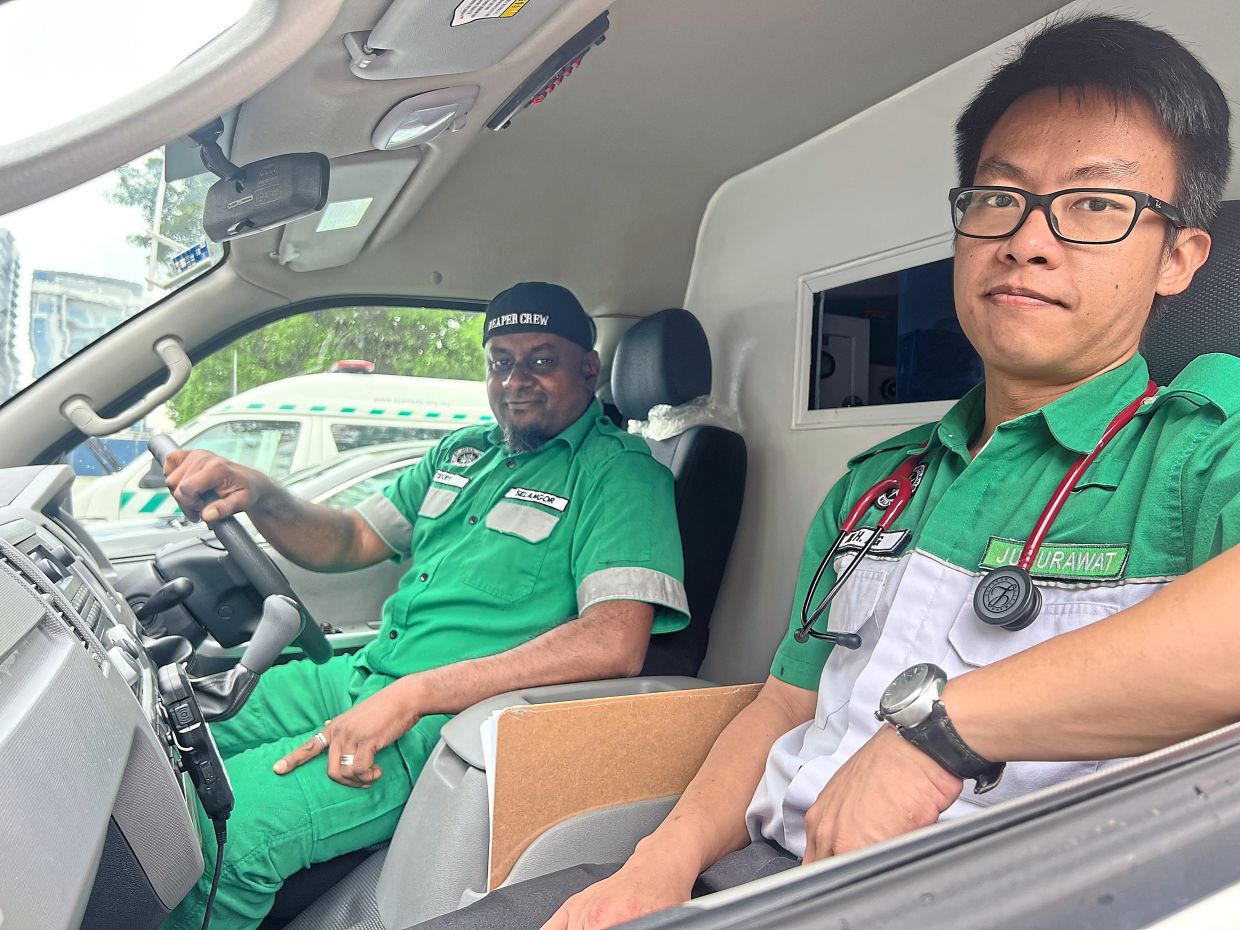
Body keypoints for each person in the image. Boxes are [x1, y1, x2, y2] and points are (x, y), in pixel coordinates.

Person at [411, 14, 1237, 930]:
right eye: (999, 198)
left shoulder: (1201, 445)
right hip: (764, 873)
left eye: (1095, 205)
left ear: (1178, 258)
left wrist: (943, 734)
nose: (1028, 240)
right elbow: (782, 707)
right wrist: (661, 864)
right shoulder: (878, 485)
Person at [160, 282, 689, 930]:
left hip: (438, 728)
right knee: (167, 748)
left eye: (542, 359)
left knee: (224, 841)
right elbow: (350, 537)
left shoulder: (621, 474)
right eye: (501, 360)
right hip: (351, 681)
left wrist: (415, 694)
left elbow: (613, 641)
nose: (515, 379)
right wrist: (262, 493)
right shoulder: (460, 453)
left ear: (588, 366)